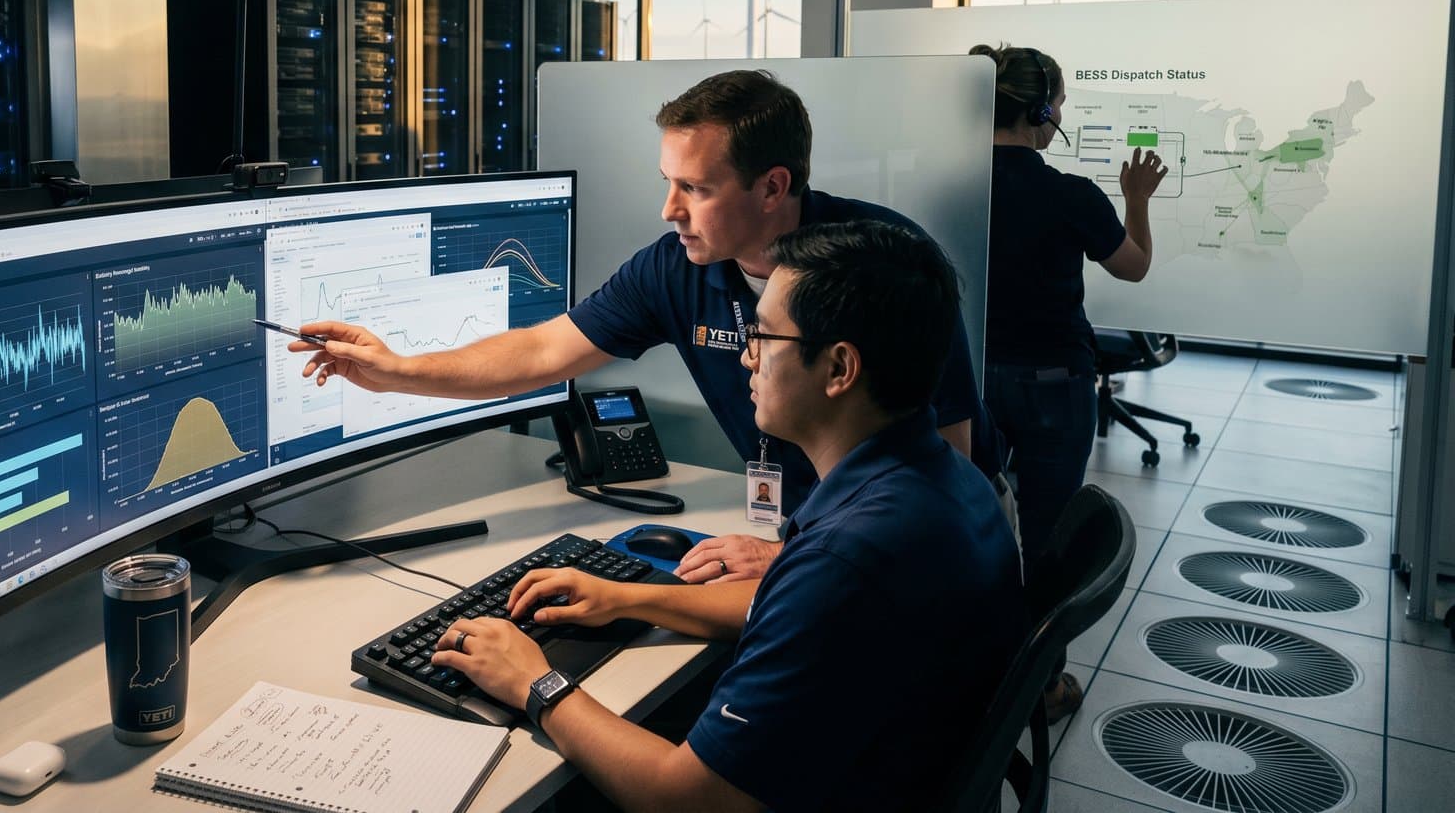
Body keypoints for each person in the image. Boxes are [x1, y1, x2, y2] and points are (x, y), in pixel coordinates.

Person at [291, 69, 981, 584]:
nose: (669, 209)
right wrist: (399, 370)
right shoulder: (675, 268)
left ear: (773, 187)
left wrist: (792, 556)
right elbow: (542, 350)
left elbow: (951, 462)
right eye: (668, 180)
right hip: (803, 529)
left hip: (891, 547)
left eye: (697, 189)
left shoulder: (885, 267)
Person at [428, 221, 1023, 812]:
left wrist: (535, 684)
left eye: (766, 337)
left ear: (840, 370)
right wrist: (622, 597)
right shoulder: (947, 482)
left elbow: (689, 800)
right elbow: (786, 608)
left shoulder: (848, 556)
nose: (746, 357)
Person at [976, 42, 1163, 719]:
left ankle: (972, 662)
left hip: (970, 383)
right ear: (1042, 111)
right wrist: (1136, 197)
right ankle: (1042, 685)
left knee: (975, 524)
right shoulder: (1069, 195)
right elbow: (1134, 266)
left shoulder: (950, 184)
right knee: (1047, 537)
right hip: (1054, 384)